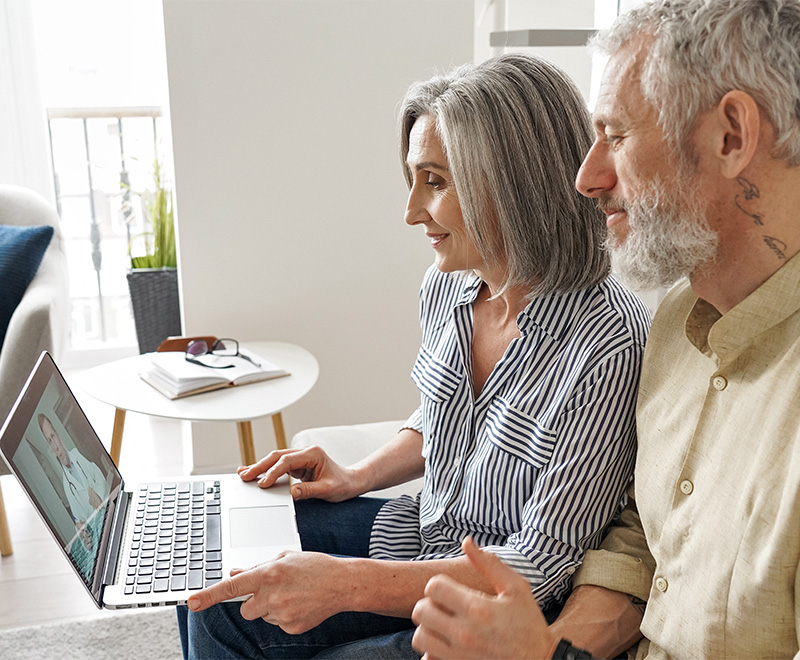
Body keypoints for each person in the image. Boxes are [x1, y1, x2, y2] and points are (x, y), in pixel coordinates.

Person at [177, 53, 650, 659]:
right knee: (210, 574)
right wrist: (359, 475)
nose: (410, 212)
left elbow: (540, 563)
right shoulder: (448, 286)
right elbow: (444, 414)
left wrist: (343, 586)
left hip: (495, 606)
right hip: (419, 535)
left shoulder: (608, 343)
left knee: (261, 621)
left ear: (511, 183)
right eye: (413, 180)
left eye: (434, 181)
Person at [410, 1, 800, 658]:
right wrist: (547, 647)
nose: (586, 178)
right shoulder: (674, 324)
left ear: (731, 136)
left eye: (615, 136)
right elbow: (639, 544)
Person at [38, 412, 108, 575]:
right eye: (49, 441)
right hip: (102, 532)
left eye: (53, 436)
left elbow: (98, 474)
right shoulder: (66, 484)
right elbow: (78, 518)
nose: (54, 445)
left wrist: (96, 493)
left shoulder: (77, 454)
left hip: (110, 511)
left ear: (59, 435)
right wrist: (81, 529)